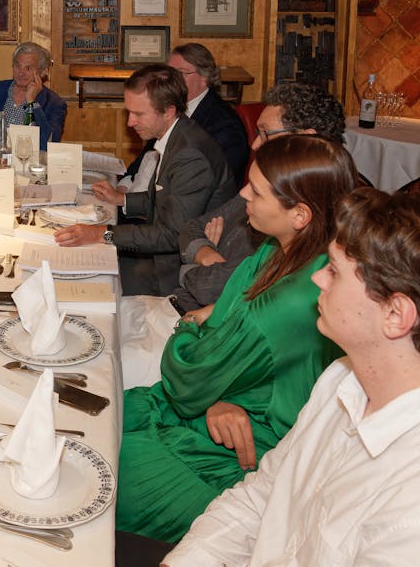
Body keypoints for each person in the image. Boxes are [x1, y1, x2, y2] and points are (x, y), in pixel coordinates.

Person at [116, 136, 357, 543]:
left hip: (241, 457)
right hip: (221, 407)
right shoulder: (289, 251)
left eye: (256, 191)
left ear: (300, 214)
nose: (243, 194)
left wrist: (189, 326)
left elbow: (189, 379)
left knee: (93, 468)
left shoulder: (290, 297)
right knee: (90, 418)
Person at [164, 188, 420, 566]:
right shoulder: (339, 380)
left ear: (395, 315)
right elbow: (259, 498)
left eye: (334, 271)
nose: (317, 278)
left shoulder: (410, 505)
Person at [54, 64, 235, 296]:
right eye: (129, 112)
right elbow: (163, 199)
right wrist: (121, 199)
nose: (130, 122)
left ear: (168, 111)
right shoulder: (177, 136)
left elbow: (171, 235)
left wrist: (101, 233)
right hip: (161, 254)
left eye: (138, 114)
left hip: (174, 273)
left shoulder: (190, 156)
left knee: (81, 285)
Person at [173, 83, 347, 311]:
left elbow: (210, 288)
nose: (255, 144)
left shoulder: (296, 208)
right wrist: (208, 255)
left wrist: (190, 265)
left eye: (265, 133)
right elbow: (191, 227)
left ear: (305, 139)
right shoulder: (262, 184)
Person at [166, 43, 249, 186]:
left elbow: (212, 182)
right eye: (169, 73)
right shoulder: (168, 109)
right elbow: (147, 159)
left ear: (205, 77)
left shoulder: (225, 124)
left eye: (180, 73)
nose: (170, 81)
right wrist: (126, 183)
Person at [0, 41, 67, 148]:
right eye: (17, 66)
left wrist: (32, 103)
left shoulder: (54, 103)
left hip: (28, 158)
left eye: (28, 68)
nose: (21, 73)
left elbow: (49, 143)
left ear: (43, 72)